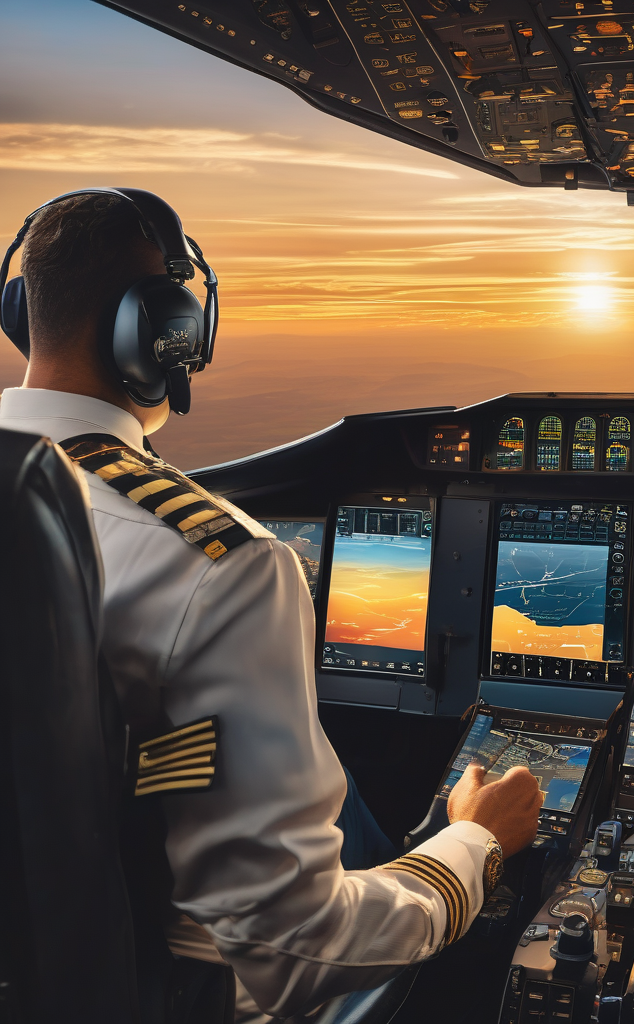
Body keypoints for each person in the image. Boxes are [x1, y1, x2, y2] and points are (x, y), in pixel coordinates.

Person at [0, 191, 543, 1021]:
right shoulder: (226, 565)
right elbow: (292, 950)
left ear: (20, 312)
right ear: (164, 331)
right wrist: (472, 846)